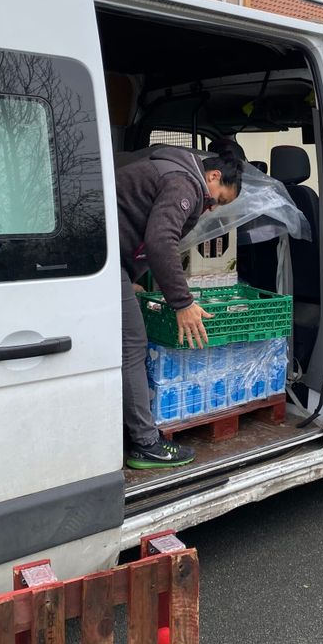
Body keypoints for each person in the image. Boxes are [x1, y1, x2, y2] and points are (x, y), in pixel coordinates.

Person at [116, 146, 243, 469]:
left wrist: (127, 278)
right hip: (98, 260)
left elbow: (130, 224)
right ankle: (146, 444)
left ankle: (130, 428)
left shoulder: (173, 172)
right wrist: (183, 303)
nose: (213, 208)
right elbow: (160, 240)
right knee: (132, 344)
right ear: (213, 176)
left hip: (105, 260)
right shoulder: (184, 183)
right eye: (220, 199)